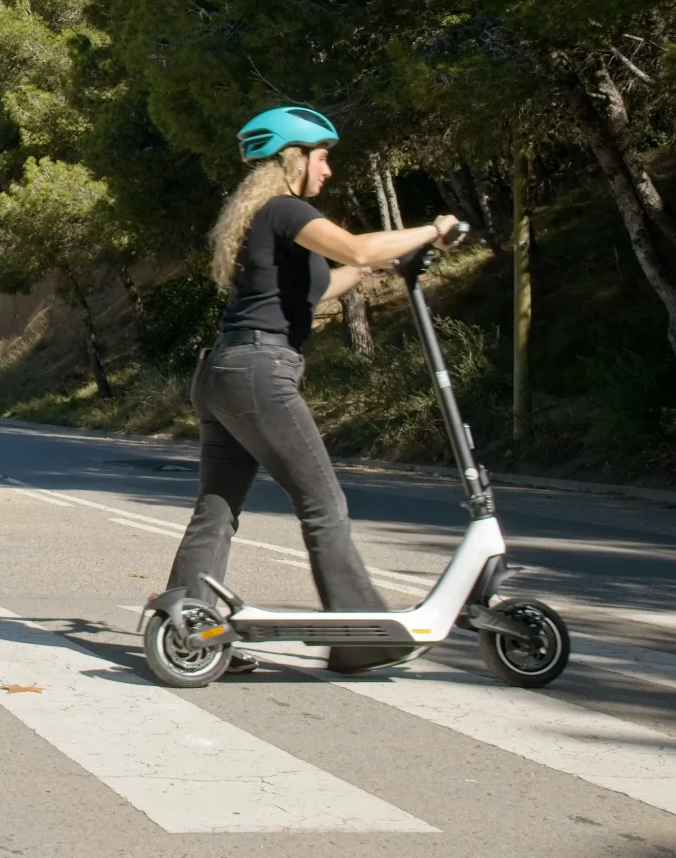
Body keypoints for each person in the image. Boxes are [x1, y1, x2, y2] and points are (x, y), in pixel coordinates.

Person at [157, 105, 465, 674]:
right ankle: (358, 634)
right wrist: (434, 229)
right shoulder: (285, 208)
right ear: (293, 159)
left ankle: (184, 621)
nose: (327, 171)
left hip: (224, 372)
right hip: (258, 373)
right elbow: (358, 249)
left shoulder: (263, 221)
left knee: (218, 508)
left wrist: (387, 266)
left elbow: (325, 286)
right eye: (321, 158)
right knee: (323, 503)